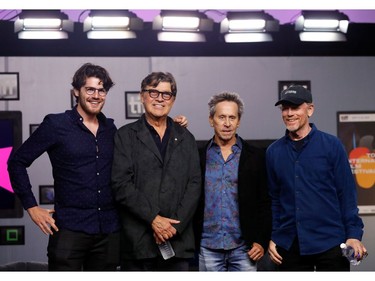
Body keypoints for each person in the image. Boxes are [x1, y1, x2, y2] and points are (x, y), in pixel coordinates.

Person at [7, 63, 188, 271]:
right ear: (76, 91)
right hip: (69, 230)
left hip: (109, 232)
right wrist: (31, 207)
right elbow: (16, 162)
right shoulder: (56, 125)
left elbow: (144, 152)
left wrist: (172, 126)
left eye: (101, 90)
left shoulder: (111, 129)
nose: (96, 95)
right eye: (90, 89)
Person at [266, 85, 367, 271]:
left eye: (295, 107)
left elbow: (347, 194)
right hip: (290, 245)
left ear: (310, 110)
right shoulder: (273, 152)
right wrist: (275, 236)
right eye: (285, 108)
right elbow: (275, 200)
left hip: (330, 243)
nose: (289, 113)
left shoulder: (332, 146)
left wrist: (353, 234)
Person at [111, 71, 201, 271]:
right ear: (142, 96)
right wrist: (154, 219)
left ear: (173, 99)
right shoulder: (125, 136)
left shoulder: (186, 137)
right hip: (138, 243)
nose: (159, 99)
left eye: (166, 94)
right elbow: (121, 185)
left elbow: (194, 185)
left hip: (177, 243)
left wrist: (173, 228)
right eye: (153, 93)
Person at [194, 92, 272, 271]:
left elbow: (265, 203)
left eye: (232, 117)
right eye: (221, 117)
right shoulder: (198, 157)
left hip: (245, 248)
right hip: (208, 246)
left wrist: (261, 241)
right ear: (211, 120)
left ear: (239, 121)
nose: (227, 123)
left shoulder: (256, 157)